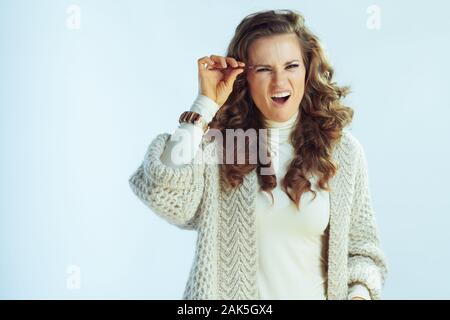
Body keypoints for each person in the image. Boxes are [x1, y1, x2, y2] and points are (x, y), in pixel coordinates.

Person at [129, 9, 388, 300]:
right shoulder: (219, 147)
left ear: (308, 70)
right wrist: (204, 104)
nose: (279, 82)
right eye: (263, 69)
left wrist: (359, 294)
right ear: (245, 78)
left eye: (291, 66)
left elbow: (363, 251)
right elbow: (162, 192)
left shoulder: (343, 152)